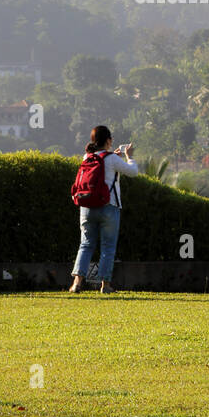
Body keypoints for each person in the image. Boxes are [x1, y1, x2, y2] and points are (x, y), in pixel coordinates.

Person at [69, 125, 139, 294]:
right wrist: (129, 157)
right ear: (108, 141)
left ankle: (77, 283)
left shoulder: (87, 156)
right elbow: (133, 172)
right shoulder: (112, 159)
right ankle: (105, 285)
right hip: (109, 207)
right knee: (108, 247)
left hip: (86, 207)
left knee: (85, 245)